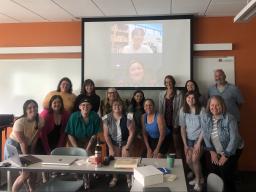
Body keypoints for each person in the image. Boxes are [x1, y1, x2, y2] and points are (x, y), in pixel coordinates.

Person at [201, 95, 244, 192]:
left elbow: (234, 138)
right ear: (209, 106)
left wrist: (226, 155)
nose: (214, 108)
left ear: (222, 105)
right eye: (212, 105)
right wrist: (212, 151)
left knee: (225, 172)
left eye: (217, 105)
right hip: (215, 149)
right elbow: (205, 135)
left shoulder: (229, 118)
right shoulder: (205, 117)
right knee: (214, 172)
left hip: (233, 149)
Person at [4, 100, 44, 192]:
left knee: (33, 171)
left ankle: (31, 190)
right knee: (26, 173)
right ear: (25, 110)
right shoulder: (19, 122)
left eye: (35, 107)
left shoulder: (41, 120)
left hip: (26, 145)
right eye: (29, 108)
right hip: (14, 146)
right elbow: (22, 143)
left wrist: (32, 154)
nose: (33, 109)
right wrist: (28, 158)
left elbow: (35, 138)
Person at [103, 100, 135, 188]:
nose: (117, 106)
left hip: (126, 142)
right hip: (113, 142)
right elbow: (106, 135)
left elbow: (132, 133)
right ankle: (115, 178)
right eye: (115, 105)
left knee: (127, 160)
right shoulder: (106, 117)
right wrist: (110, 148)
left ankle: (128, 178)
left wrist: (127, 147)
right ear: (112, 107)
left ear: (123, 106)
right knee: (114, 160)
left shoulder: (129, 116)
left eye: (119, 105)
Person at [179, 91, 205, 191]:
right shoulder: (183, 110)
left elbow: (204, 129)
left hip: (200, 139)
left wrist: (198, 143)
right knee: (188, 161)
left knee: (195, 159)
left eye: (193, 98)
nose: (190, 100)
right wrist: (185, 144)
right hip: (189, 139)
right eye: (188, 98)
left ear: (196, 99)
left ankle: (198, 182)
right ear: (186, 99)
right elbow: (182, 128)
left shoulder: (201, 110)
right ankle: (200, 177)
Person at [158, 75, 183, 157]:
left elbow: (180, 110)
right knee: (166, 146)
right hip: (165, 123)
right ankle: (167, 165)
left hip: (175, 123)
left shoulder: (179, 93)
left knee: (177, 145)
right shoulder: (162, 94)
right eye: (166, 82)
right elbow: (160, 109)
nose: (168, 83)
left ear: (173, 82)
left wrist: (176, 124)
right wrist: (161, 124)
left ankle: (180, 164)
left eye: (170, 82)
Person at [127, 90, 145, 157]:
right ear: (134, 97)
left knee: (142, 150)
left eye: (141, 96)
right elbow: (129, 121)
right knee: (134, 150)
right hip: (133, 131)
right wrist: (137, 133)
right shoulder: (130, 107)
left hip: (143, 131)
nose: (139, 98)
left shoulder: (145, 106)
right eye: (137, 96)